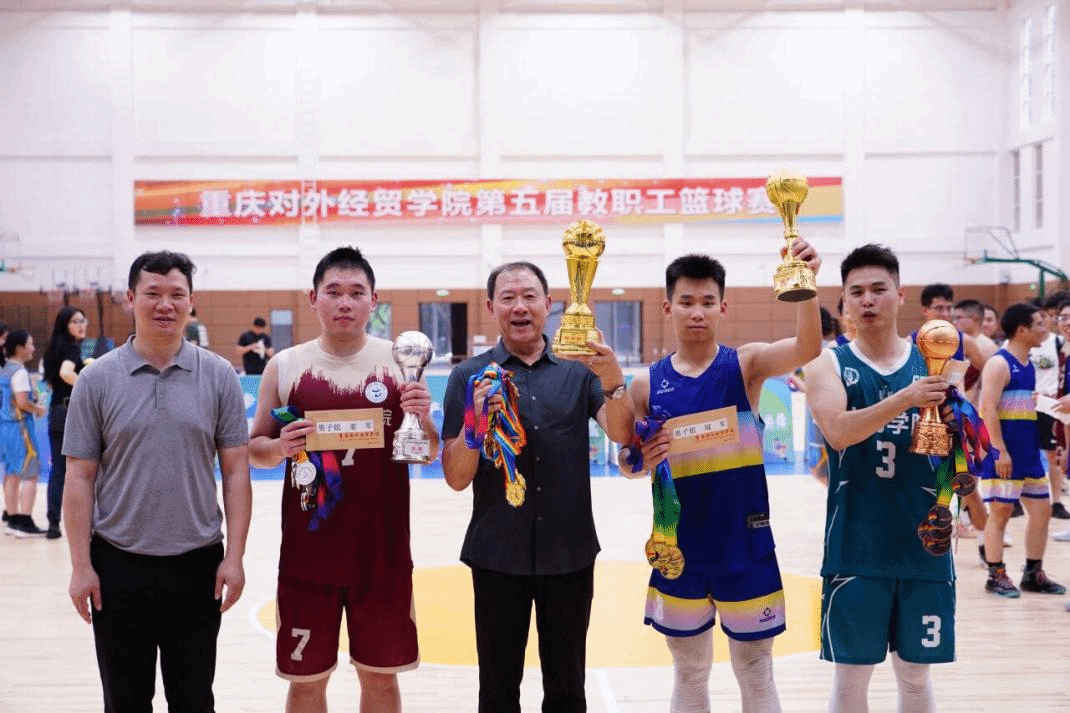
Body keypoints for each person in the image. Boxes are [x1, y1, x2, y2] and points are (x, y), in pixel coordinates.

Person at [624, 243, 821, 713]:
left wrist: (807, 287)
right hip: (679, 550)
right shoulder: (645, 385)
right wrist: (639, 459)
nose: (697, 312)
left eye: (707, 302)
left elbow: (807, 349)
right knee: (689, 672)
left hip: (745, 547)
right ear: (668, 307)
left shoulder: (746, 365)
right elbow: (629, 464)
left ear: (723, 307)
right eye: (686, 302)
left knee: (755, 671)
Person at [248, 246, 437, 713]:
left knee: (380, 680)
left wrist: (423, 417)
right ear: (313, 298)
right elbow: (255, 451)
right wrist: (281, 447)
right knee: (306, 684)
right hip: (308, 557)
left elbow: (429, 450)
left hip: (383, 556)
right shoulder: (285, 365)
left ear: (375, 300)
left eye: (356, 292)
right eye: (333, 292)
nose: (345, 303)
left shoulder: (399, 362)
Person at [441, 260, 635, 713]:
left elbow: (622, 433)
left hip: (569, 555)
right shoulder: (469, 376)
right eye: (508, 297)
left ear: (549, 305)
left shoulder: (579, 371)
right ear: (490, 308)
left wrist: (613, 379)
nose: (519, 306)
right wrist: (475, 422)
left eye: (529, 296)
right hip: (496, 555)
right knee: (497, 693)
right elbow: (456, 477)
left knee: (567, 693)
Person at [63, 250, 252, 712]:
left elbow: (236, 472)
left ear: (191, 301)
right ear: (131, 298)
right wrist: (81, 566)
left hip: (198, 566)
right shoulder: (96, 380)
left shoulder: (219, 376)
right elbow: (79, 477)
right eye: (152, 293)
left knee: (193, 700)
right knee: (125, 702)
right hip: (117, 565)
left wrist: (235, 557)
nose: (165, 304)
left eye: (176, 294)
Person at [804, 244, 955, 713]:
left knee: (915, 677)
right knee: (851, 680)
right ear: (845, 301)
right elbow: (837, 431)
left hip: (924, 545)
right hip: (856, 546)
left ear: (900, 295)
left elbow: (954, 453)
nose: (867, 300)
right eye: (857, 292)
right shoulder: (826, 364)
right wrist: (905, 398)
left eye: (878, 289)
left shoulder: (935, 363)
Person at [977, 302, 1066, 598]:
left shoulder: (1028, 364)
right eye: (1039, 323)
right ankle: (996, 574)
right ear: (1022, 331)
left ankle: (1033, 573)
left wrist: (1039, 401)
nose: (1045, 328)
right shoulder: (999, 363)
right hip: (1004, 452)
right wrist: (999, 450)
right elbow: (987, 408)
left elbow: (1013, 404)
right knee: (1000, 512)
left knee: (1042, 512)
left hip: (1028, 452)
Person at [41, 306, 87, 540]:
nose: (81, 325)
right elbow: (66, 373)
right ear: (65, 325)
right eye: (75, 321)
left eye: (83, 321)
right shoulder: (71, 348)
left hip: (55, 412)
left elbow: (51, 382)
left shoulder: (53, 349)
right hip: (70, 413)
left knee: (58, 471)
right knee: (83, 471)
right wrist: (86, 386)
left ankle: (53, 523)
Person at [1, 329, 47, 537]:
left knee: (11, 474)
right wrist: (37, 409)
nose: (33, 348)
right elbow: (22, 402)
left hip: (4, 427)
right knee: (31, 474)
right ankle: (25, 522)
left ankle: (12, 519)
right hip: (20, 428)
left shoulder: (3, 369)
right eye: (30, 344)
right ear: (20, 348)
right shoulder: (19, 372)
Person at [1030, 292, 1070, 521]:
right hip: (1032, 405)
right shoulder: (1023, 342)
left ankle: (1056, 501)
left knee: (1054, 454)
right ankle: (1017, 500)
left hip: (1053, 406)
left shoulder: (1058, 343)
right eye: (1063, 317)